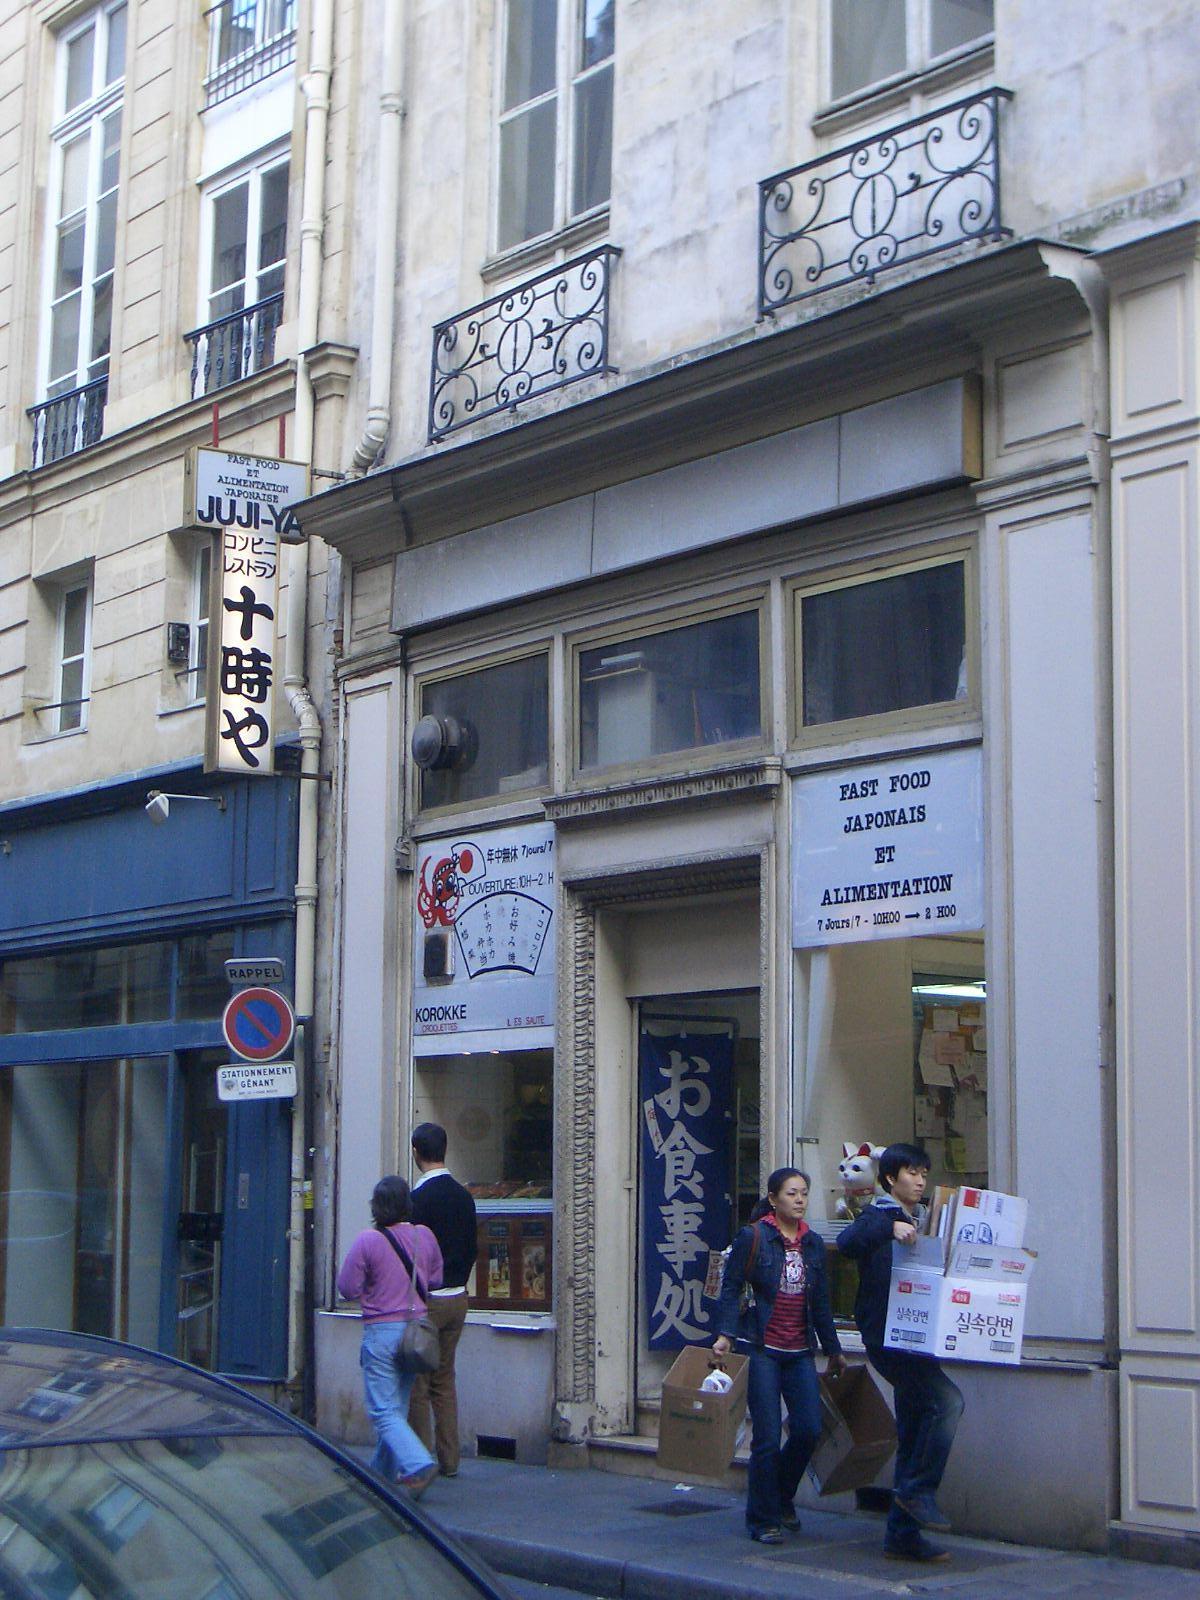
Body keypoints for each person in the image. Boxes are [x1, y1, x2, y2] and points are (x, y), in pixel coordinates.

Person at [837, 1141, 964, 1565]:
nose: (920, 1180)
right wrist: (889, 1228)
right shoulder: (879, 1214)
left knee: (915, 1423)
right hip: (888, 1336)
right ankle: (918, 1492)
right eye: (911, 1173)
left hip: (919, 1334)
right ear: (890, 1178)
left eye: (923, 1173)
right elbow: (848, 1242)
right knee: (947, 1402)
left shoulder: (923, 1217)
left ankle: (902, 1535)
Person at [713, 1167, 846, 1544]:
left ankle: (781, 1495)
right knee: (768, 1437)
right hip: (762, 1349)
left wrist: (833, 1349)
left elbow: (821, 1301)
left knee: (809, 1429)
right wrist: (725, 1334)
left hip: (800, 1350)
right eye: (791, 1193)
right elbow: (731, 1287)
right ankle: (763, 1519)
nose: (800, 1200)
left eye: (804, 1193)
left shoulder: (813, 1243)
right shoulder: (754, 1237)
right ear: (773, 1199)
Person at [337, 1174, 443, 1499]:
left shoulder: (368, 1241)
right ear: (407, 1204)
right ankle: (379, 1478)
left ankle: (418, 1463)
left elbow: (347, 1288)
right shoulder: (424, 1236)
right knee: (396, 1408)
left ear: (376, 1207)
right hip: (415, 1332)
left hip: (382, 1332)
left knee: (383, 1412)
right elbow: (436, 1280)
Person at [406, 1121, 478, 1478]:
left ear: (416, 1152)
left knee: (418, 1384)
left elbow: (411, 1254)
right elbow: (473, 1247)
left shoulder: (417, 1200)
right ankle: (450, 1460)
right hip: (458, 1297)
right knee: (445, 1380)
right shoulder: (464, 1196)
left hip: (429, 1300)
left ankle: (420, 1460)